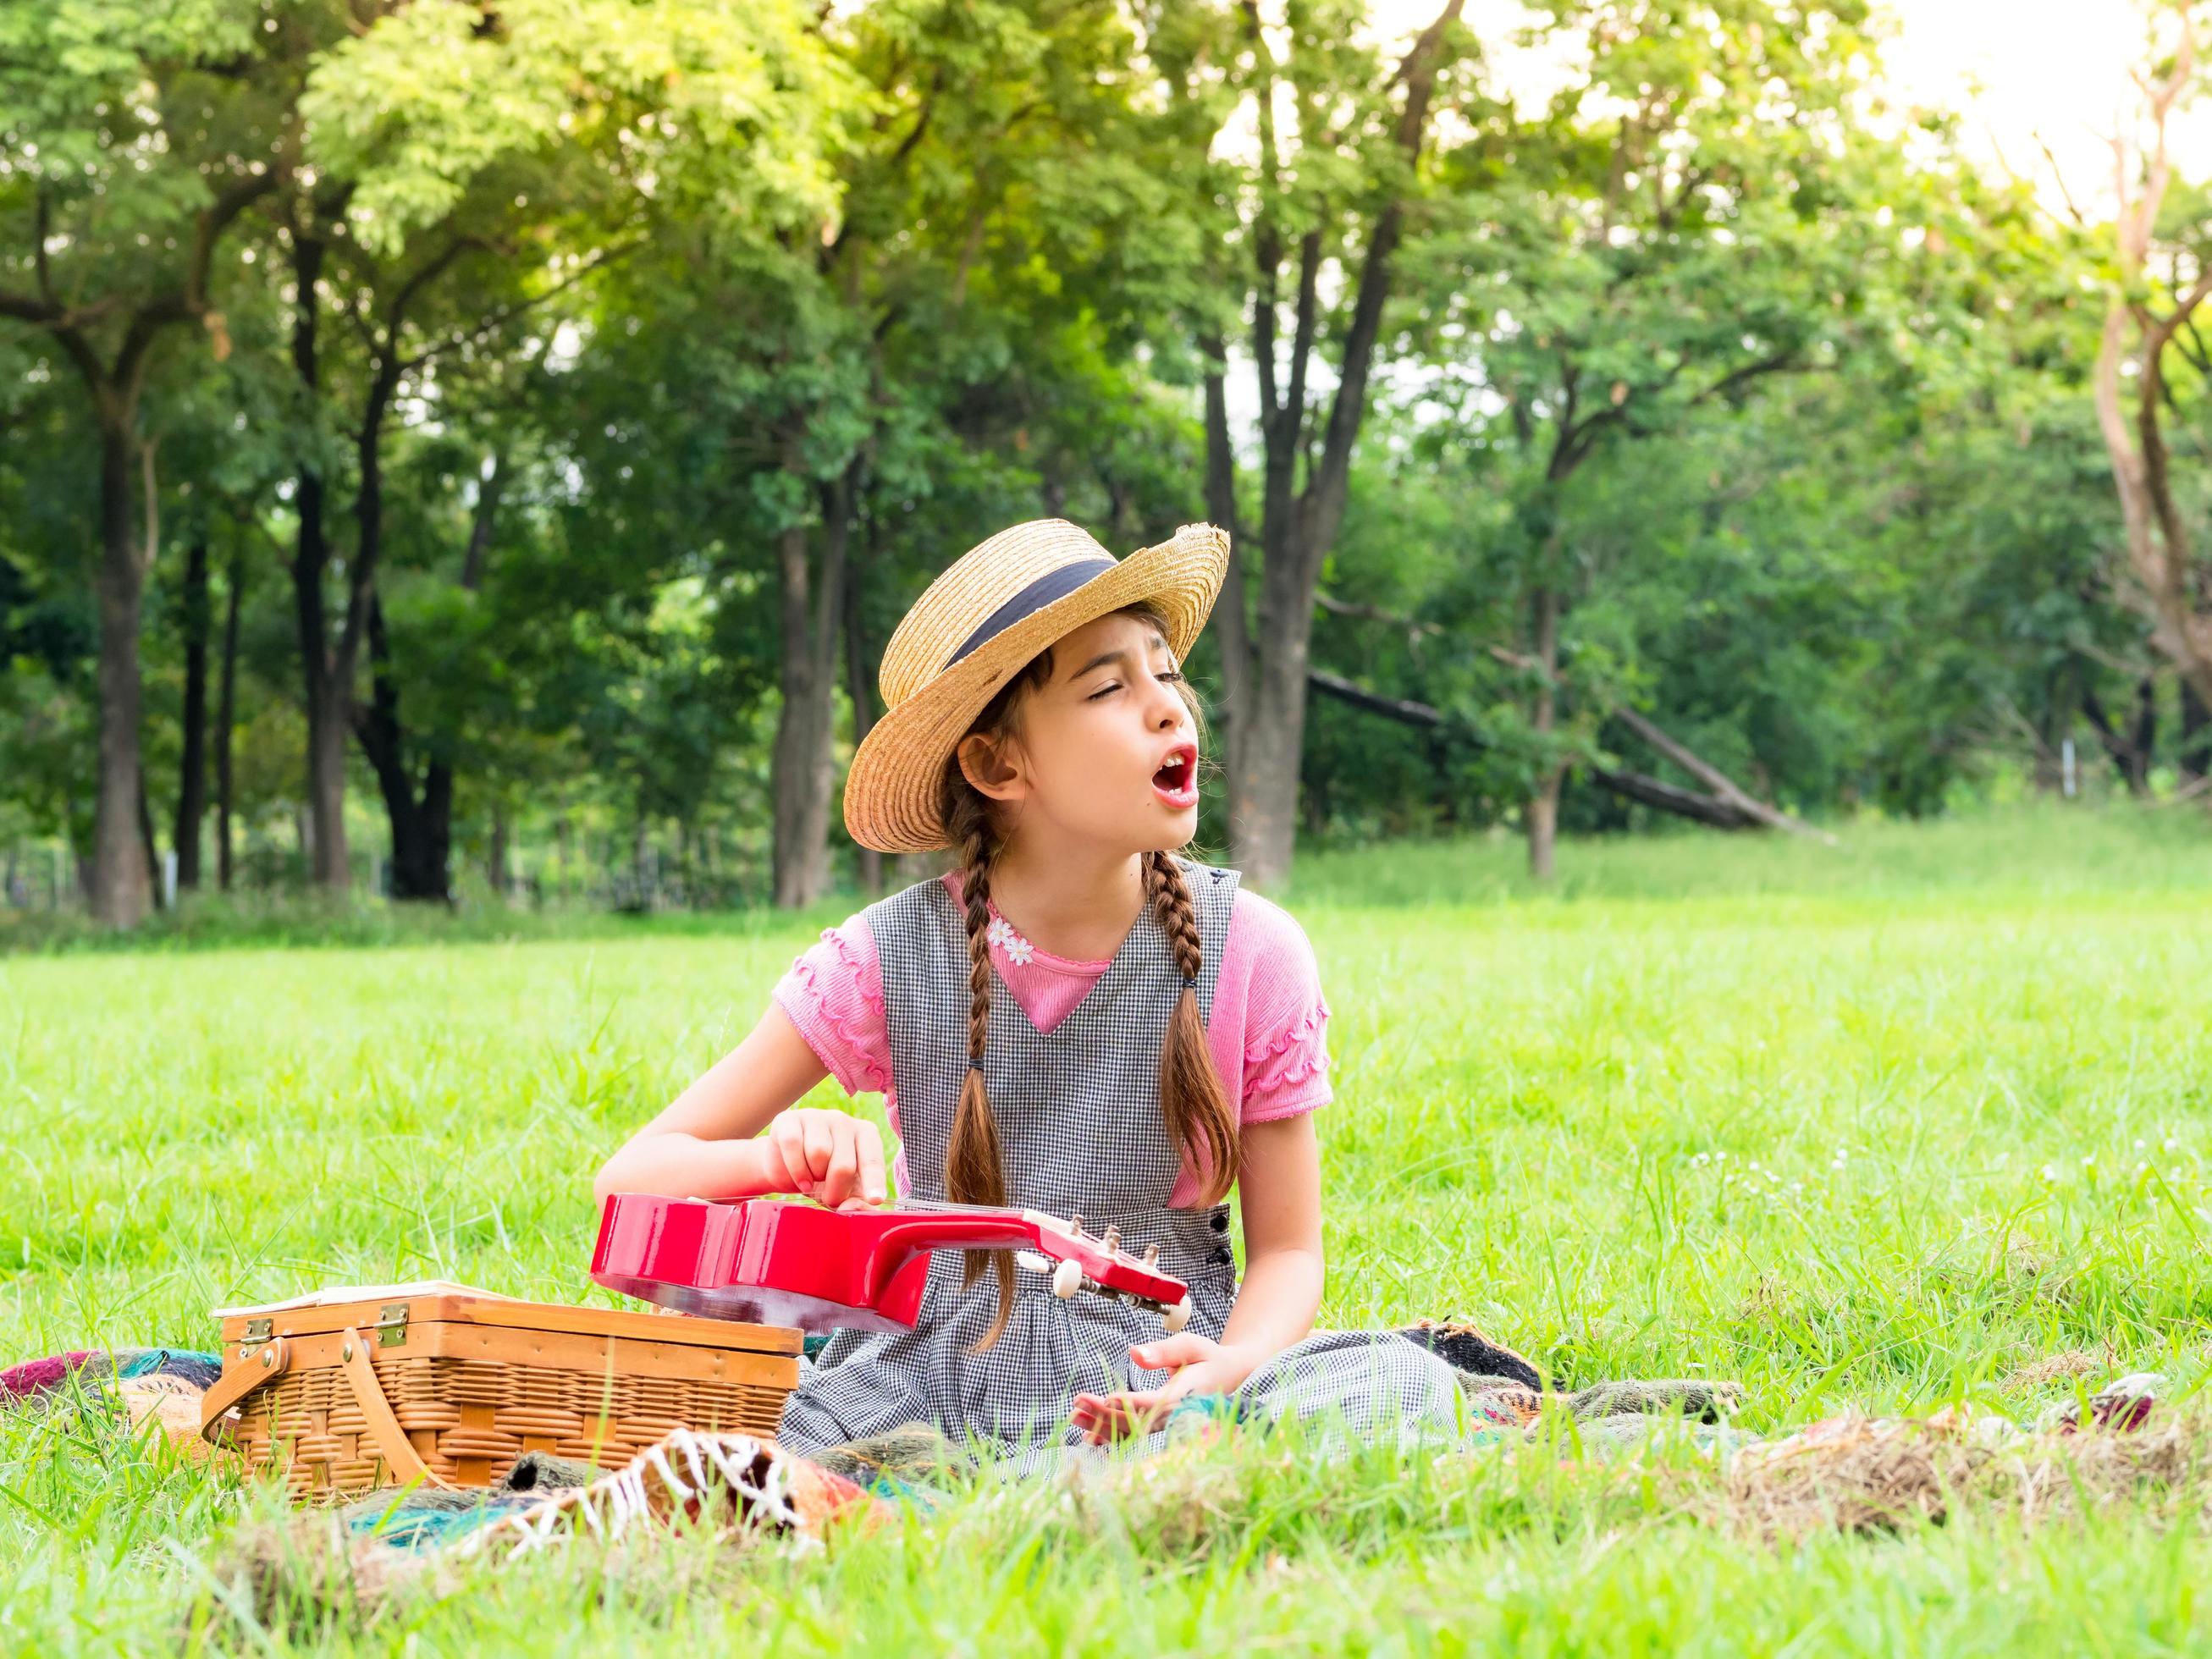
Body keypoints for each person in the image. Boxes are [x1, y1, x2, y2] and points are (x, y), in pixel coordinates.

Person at [593, 520, 1461, 1469]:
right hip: (921, 1373)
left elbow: (1289, 1253)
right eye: (1110, 687)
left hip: (1156, 1371)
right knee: (721, 1445)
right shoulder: (884, 956)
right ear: (998, 765)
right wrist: (775, 1155)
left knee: (1399, 1384)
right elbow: (629, 1181)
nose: (1170, 709)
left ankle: (1094, 1474)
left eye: (1166, 674)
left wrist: (1235, 1364)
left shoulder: (1251, 949)